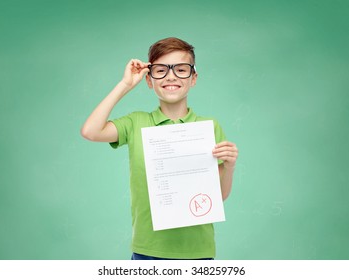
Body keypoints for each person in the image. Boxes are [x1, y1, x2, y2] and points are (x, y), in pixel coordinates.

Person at [81, 37, 238, 260]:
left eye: (181, 70)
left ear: (193, 78)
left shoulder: (209, 127)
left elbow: (219, 196)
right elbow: (91, 131)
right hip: (148, 250)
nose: (171, 76)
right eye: (161, 70)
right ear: (149, 79)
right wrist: (125, 84)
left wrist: (230, 167)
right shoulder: (136, 122)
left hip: (198, 251)